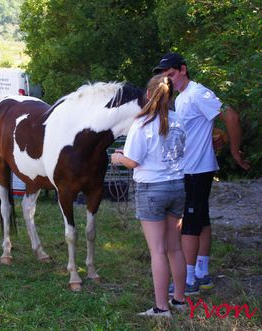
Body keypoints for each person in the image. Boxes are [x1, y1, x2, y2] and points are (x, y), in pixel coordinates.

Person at [152, 53, 251, 294]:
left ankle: (188, 280)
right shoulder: (183, 97)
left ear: (183, 70)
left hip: (197, 169)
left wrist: (234, 151)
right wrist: (215, 134)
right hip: (191, 167)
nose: (169, 81)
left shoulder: (197, 92)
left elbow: (231, 115)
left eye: (172, 75)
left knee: (188, 225)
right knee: (201, 220)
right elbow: (203, 124)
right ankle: (202, 272)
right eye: (165, 77)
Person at [111, 74, 187, 318]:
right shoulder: (177, 120)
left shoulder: (141, 124)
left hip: (152, 189)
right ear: (171, 95)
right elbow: (174, 150)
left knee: (157, 251)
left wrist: (118, 157)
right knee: (175, 248)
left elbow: (133, 161)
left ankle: (161, 308)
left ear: (147, 95)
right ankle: (180, 300)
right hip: (176, 185)